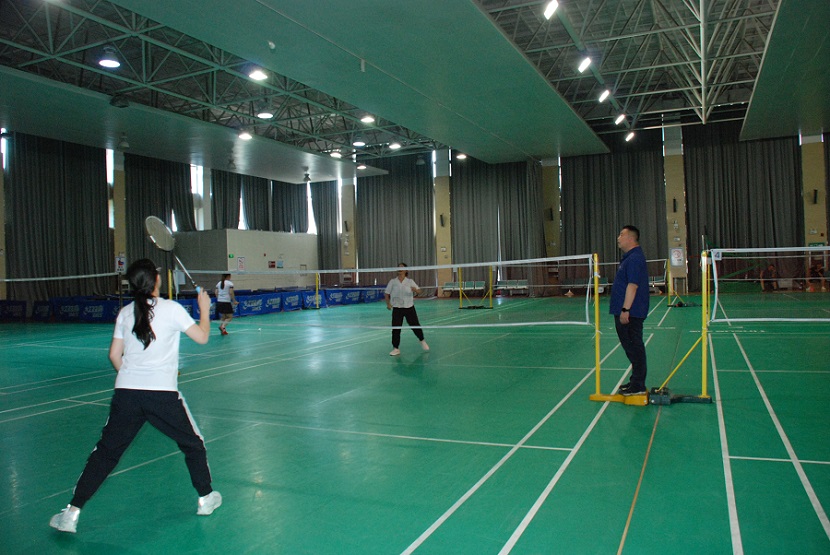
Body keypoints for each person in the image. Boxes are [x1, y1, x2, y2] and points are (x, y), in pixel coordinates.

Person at [49, 259, 221, 534]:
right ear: (156, 280)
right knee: (193, 444)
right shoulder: (172, 309)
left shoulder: (125, 313)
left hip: (126, 395)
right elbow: (202, 337)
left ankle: (71, 513)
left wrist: (132, 379)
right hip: (162, 395)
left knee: (105, 453)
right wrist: (204, 309)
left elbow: (114, 356)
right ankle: (205, 498)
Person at [610, 226, 650, 396]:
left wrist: (625, 309)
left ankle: (638, 385)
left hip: (631, 313)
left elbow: (632, 286)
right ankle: (636, 381)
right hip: (626, 311)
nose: (618, 238)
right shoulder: (629, 258)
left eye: (622, 235)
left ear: (631, 239)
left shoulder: (634, 259)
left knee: (634, 348)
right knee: (631, 348)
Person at [384, 263, 429, 356]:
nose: (400, 269)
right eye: (399, 267)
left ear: (406, 270)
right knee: (396, 328)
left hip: (409, 307)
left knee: (415, 325)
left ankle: (422, 340)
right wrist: (388, 304)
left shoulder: (410, 281)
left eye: (402, 267)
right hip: (397, 308)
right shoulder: (393, 281)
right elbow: (387, 293)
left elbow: (419, 291)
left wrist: (416, 290)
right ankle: (396, 348)